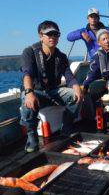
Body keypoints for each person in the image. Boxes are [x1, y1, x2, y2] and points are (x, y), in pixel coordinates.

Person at [20, 20, 82, 152]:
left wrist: (76, 87)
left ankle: (66, 127)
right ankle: (32, 137)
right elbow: (27, 74)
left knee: (76, 95)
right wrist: (29, 92)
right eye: (49, 34)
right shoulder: (29, 52)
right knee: (27, 101)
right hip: (36, 91)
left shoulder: (61, 56)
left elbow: (69, 76)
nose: (53, 37)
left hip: (53, 91)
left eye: (56, 34)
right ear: (40, 35)